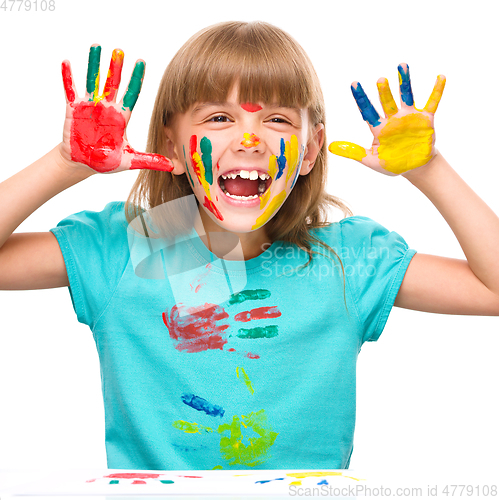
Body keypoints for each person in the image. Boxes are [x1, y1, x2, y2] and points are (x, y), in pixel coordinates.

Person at [0, 20, 498, 471]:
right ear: (172, 145)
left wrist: (428, 168)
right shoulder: (124, 247)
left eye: (278, 120)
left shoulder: (348, 260)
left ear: (312, 150)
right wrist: (66, 163)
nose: (250, 138)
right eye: (218, 118)